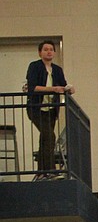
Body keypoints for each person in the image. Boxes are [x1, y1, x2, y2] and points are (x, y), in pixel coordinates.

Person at [24, 39, 73, 175]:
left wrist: (69, 88)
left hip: (51, 109)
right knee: (50, 136)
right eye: (45, 49)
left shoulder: (57, 69)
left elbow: (63, 85)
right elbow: (33, 87)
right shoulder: (34, 66)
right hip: (36, 108)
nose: (49, 52)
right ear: (40, 53)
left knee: (45, 138)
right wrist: (53, 88)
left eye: (51, 49)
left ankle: (41, 171)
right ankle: (51, 170)